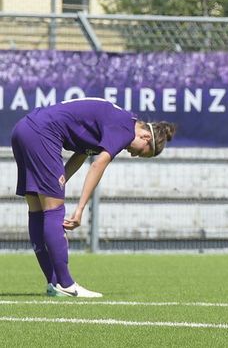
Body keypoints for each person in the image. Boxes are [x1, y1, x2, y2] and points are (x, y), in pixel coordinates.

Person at [13, 98, 175, 298]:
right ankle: (66, 284)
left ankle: (54, 283)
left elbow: (80, 156)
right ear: (145, 137)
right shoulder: (125, 127)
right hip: (42, 134)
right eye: (142, 152)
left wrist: (57, 182)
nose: (134, 155)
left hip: (24, 128)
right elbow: (98, 165)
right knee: (54, 211)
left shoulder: (113, 121)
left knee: (37, 210)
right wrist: (80, 209)